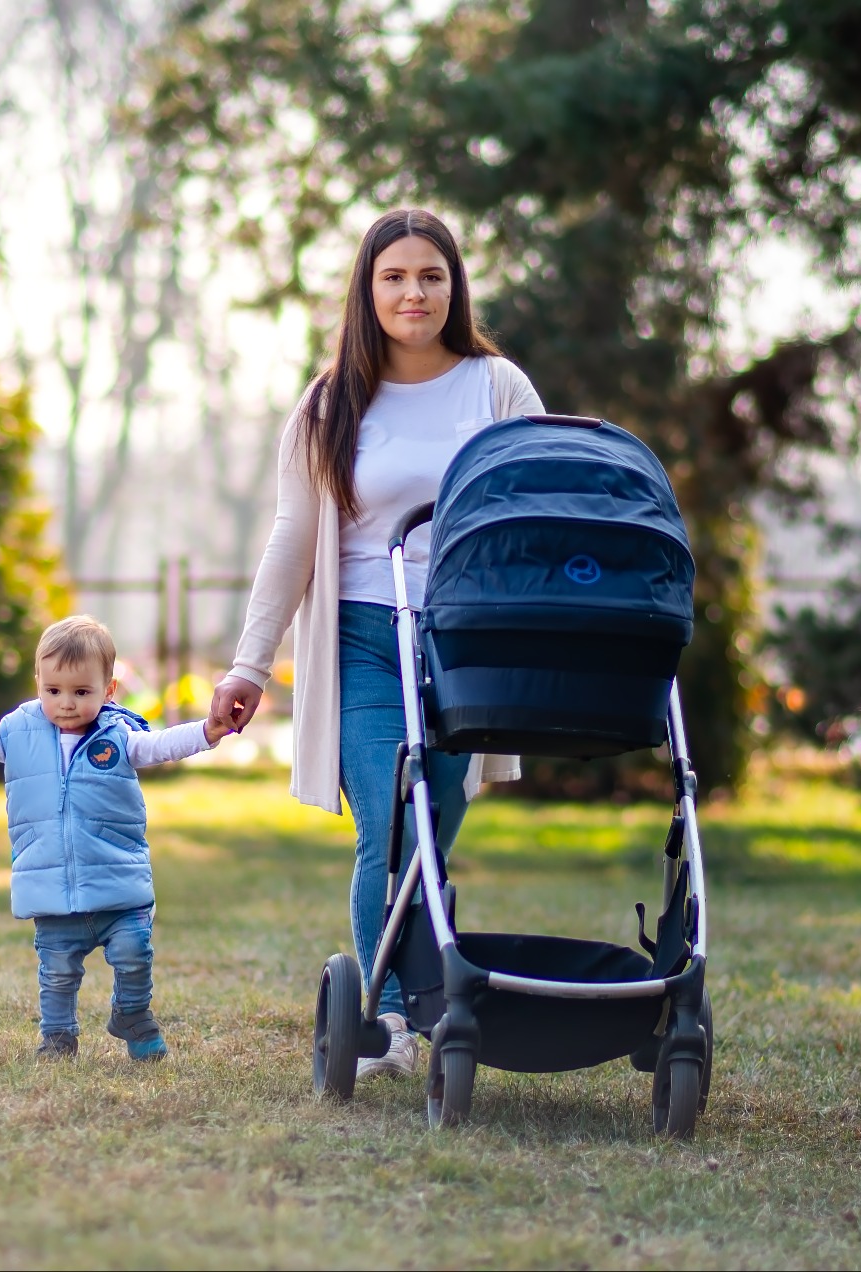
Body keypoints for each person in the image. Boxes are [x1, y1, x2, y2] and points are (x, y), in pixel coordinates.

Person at [207, 209, 545, 1081]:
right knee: (389, 823)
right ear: (367, 290)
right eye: (393, 277)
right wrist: (251, 661)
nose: (413, 293)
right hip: (362, 633)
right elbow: (292, 537)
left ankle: (432, 1005)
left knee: (434, 825)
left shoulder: (498, 388)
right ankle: (387, 1023)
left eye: (430, 276)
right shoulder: (331, 404)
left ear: (453, 286)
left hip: (466, 644)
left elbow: (539, 501)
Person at [0, 616, 233, 1060]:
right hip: (52, 887)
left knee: (135, 953)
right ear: (37, 682)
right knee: (57, 972)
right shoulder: (17, 733)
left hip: (118, 882)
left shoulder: (117, 735)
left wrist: (208, 731)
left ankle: (132, 1013)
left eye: (82, 692)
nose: (65, 703)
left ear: (108, 690)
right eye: (53, 691)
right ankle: (58, 1036)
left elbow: (161, 745)